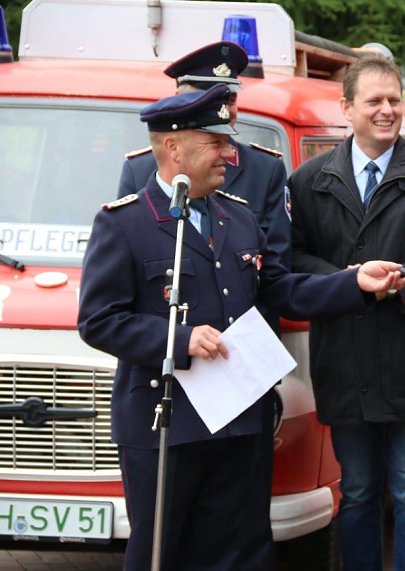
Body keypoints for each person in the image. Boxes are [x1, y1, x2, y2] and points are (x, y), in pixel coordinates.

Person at [77, 84, 405, 571]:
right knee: (164, 553)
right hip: (166, 424)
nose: (231, 155)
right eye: (216, 143)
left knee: (245, 553)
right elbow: (98, 320)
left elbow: (281, 289)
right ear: (173, 147)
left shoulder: (239, 215)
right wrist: (182, 339)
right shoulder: (124, 223)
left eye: (229, 143)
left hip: (240, 420)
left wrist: (354, 283)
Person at [287, 54, 405, 570]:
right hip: (344, 365)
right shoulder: (308, 183)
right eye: (374, 101)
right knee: (357, 492)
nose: (387, 110)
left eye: (394, 100)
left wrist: (398, 284)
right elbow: (291, 261)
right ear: (346, 107)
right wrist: (351, 281)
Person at [115, 41, 293, 552]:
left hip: (239, 388)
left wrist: (353, 285)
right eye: (207, 99)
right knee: (163, 543)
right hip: (166, 398)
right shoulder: (132, 196)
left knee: (239, 542)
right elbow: (112, 306)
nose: (228, 145)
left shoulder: (247, 190)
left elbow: (273, 279)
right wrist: (182, 338)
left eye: (228, 97)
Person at [117, 41, 291, 269]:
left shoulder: (265, 169)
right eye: (209, 98)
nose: (223, 111)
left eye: (230, 99)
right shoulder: (140, 170)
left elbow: (277, 264)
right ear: (178, 97)